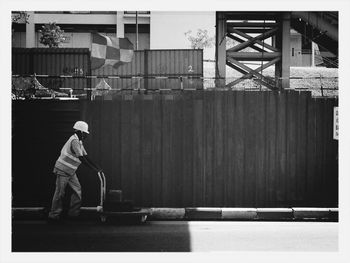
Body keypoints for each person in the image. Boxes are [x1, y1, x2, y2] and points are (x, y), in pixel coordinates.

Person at [47, 121, 101, 223]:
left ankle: (73, 214)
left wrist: (96, 166)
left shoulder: (79, 142)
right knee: (59, 193)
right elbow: (81, 158)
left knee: (77, 190)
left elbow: (85, 156)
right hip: (62, 170)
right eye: (84, 133)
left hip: (70, 171)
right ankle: (53, 216)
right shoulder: (75, 141)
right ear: (80, 132)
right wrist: (93, 169)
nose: (85, 136)